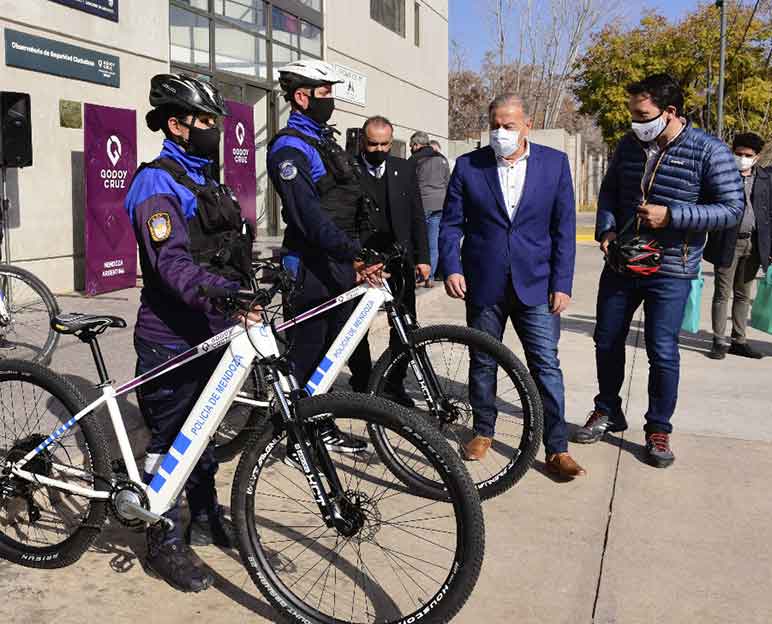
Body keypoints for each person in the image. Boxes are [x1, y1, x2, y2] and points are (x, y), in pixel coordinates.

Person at [125, 74, 256, 592]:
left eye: (215, 121)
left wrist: (250, 287)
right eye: (205, 122)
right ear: (176, 124)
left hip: (212, 331)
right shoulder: (157, 183)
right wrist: (218, 291)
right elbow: (171, 266)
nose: (214, 130)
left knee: (203, 433)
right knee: (170, 441)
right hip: (170, 336)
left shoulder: (204, 176)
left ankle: (204, 514)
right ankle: (164, 539)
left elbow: (226, 248)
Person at [574, 74, 744, 468]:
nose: (636, 121)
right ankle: (607, 410)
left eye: (643, 114)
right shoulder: (630, 146)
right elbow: (611, 192)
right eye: (633, 113)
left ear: (669, 112)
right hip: (623, 261)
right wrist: (607, 229)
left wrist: (673, 215)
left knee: (662, 351)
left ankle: (658, 428)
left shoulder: (709, 151)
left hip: (672, 267)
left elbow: (732, 209)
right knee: (606, 340)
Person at [439, 94, 582, 479]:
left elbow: (564, 229)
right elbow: (451, 223)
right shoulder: (469, 166)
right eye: (495, 126)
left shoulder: (554, 165)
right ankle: (483, 430)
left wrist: (562, 283)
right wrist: (451, 267)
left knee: (545, 366)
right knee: (483, 361)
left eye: (509, 125)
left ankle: (557, 447)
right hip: (484, 282)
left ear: (527, 124)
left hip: (535, 284)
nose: (501, 132)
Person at [266, 60, 381, 453]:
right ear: (301, 97)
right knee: (306, 356)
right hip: (309, 267)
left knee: (332, 356)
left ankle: (321, 426)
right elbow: (308, 216)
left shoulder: (323, 140)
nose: (331, 99)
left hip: (338, 261)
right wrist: (353, 252)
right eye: (324, 92)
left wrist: (362, 250)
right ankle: (297, 439)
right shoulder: (289, 147)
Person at [347, 117, 431, 404]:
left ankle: (395, 383)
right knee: (358, 325)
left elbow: (417, 214)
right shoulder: (348, 169)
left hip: (399, 258)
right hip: (362, 262)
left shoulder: (404, 168)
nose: (379, 149)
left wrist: (423, 257)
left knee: (405, 323)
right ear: (362, 141)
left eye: (385, 144)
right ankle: (363, 383)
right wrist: (355, 260)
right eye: (373, 144)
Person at [705, 132, 771, 360]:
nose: (742, 158)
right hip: (728, 242)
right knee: (722, 293)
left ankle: (739, 340)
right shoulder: (722, 176)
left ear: (757, 157)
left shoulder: (764, 179)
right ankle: (718, 340)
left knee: (743, 294)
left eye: (748, 155)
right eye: (738, 153)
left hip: (754, 244)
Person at [410, 131, 450, 287]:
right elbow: (448, 181)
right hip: (440, 204)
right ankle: (430, 277)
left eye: (412, 145)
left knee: (419, 242)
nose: (411, 148)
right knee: (433, 243)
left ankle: (419, 276)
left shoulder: (416, 159)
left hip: (422, 205)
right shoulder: (442, 160)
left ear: (417, 144)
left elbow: (410, 183)